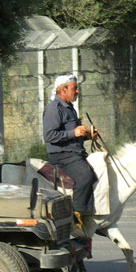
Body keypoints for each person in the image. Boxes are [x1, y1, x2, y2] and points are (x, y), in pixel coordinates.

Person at [42, 75, 99, 226]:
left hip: (73, 153)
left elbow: (72, 136)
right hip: (61, 156)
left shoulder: (70, 108)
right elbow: (49, 136)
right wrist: (74, 133)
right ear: (63, 90)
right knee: (85, 176)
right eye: (74, 88)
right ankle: (76, 218)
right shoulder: (53, 109)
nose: (77, 91)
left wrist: (87, 136)